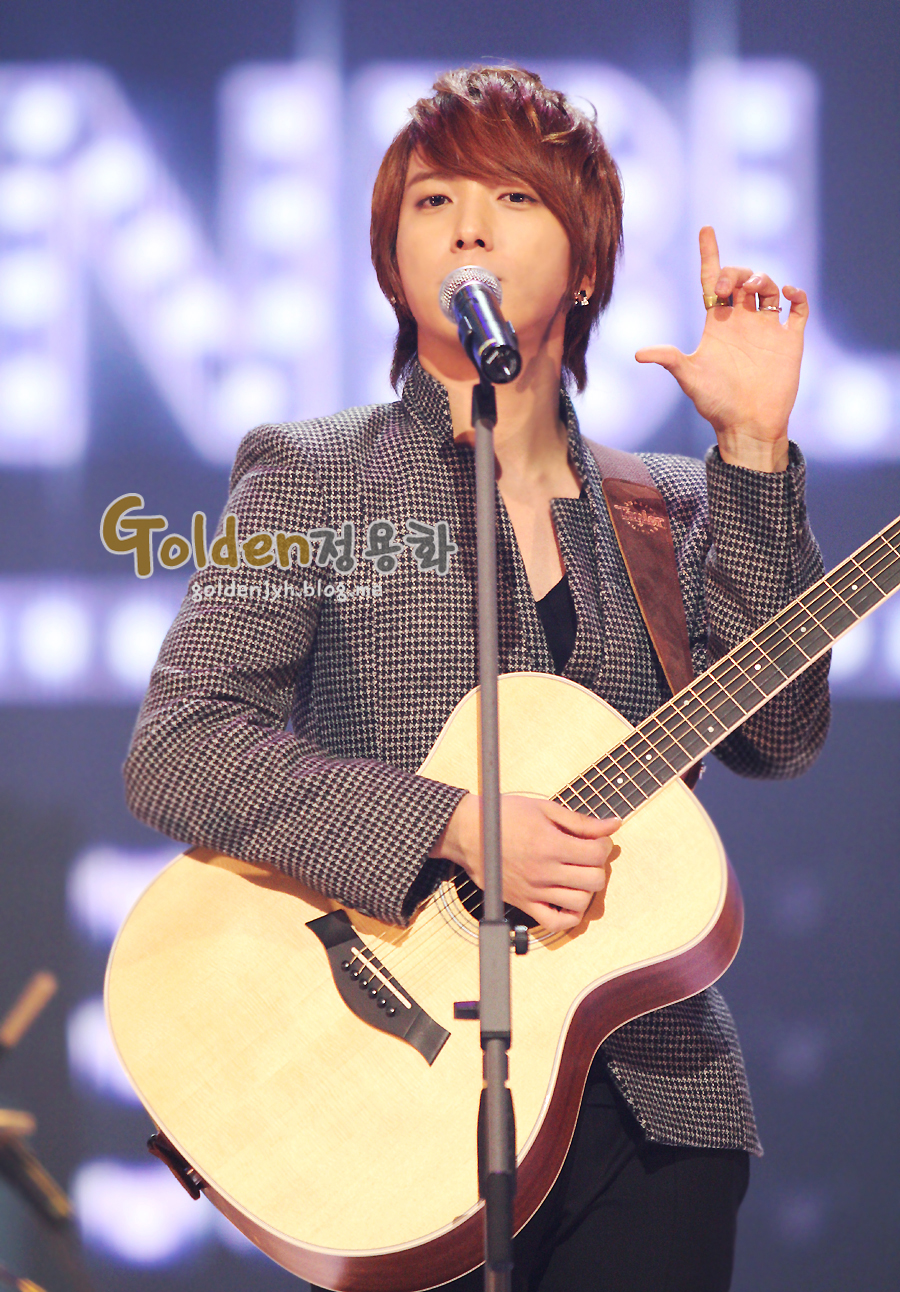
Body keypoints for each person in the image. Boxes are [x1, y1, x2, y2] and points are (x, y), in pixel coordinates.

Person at [124, 65, 830, 1292]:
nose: (466, 226)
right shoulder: (313, 477)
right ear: (393, 262)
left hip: (657, 1103)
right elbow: (181, 745)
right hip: (398, 1092)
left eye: (513, 196)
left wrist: (756, 450)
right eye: (432, 199)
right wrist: (450, 822)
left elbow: (784, 733)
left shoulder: (672, 505)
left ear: (588, 263)